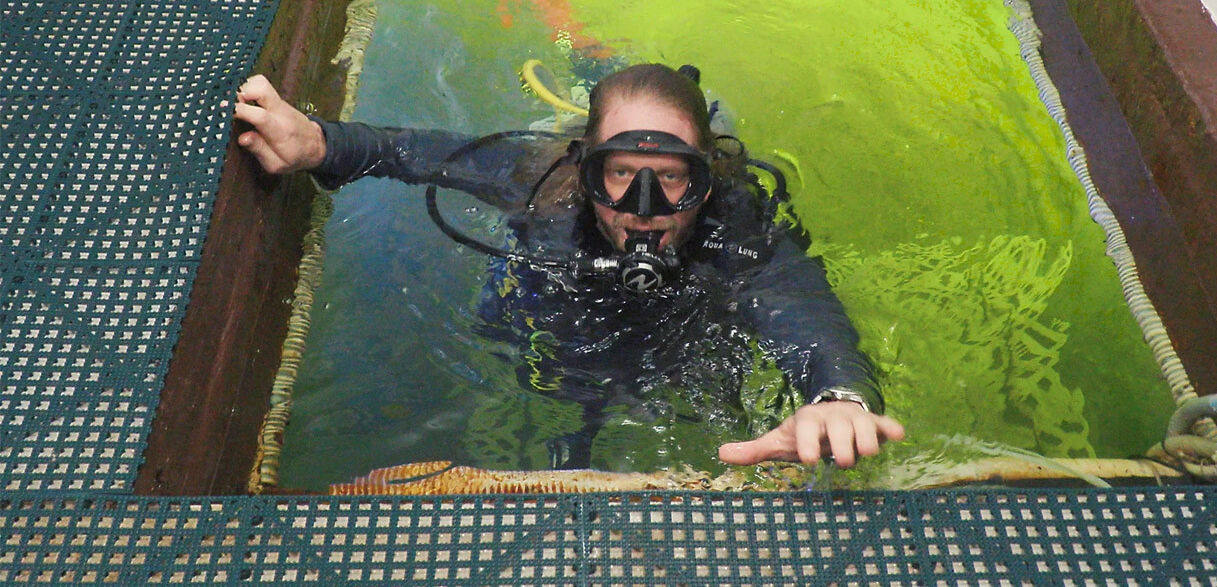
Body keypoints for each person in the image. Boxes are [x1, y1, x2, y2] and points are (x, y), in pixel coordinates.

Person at [233, 65, 905, 469]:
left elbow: (807, 313)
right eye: (619, 174)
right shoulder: (540, 183)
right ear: (585, 170)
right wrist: (317, 142)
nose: (643, 209)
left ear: (708, 177)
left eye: (671, 178)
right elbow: (415, 150)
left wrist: (836, 397)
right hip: (562, 335)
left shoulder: (737, 229)